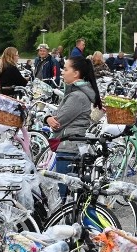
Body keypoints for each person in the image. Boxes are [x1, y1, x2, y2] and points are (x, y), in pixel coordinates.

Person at [44, 56, 102, 198]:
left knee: (65, 196)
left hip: (69, 147)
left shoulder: (77, 96)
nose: (62, 72)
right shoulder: (76, 93)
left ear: (76, 73)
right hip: (71, 145)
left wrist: (48, 118)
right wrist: (48, 118)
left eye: (65, 69)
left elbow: (58, 122)